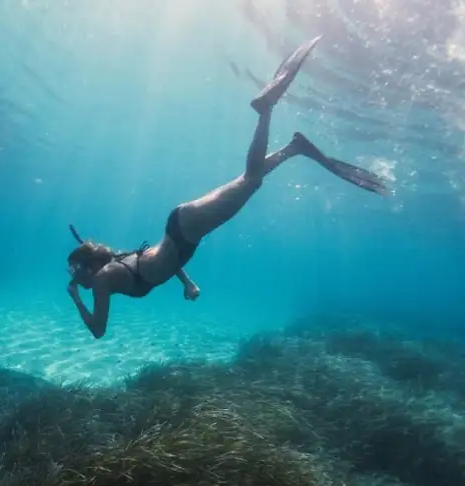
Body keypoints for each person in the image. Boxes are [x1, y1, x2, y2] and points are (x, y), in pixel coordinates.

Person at [66, 35, 390, 339]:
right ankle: (294, 148)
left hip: (184, 231)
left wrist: (77, 297)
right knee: (250, 181)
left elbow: (98, 330)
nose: (73, 277)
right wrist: (188, 283)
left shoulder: (103, 279)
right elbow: (159, 263)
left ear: (87, 267)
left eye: (74, 271)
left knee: (250, 180)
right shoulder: (113, 265)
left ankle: (265, 110)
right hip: (181, 227)